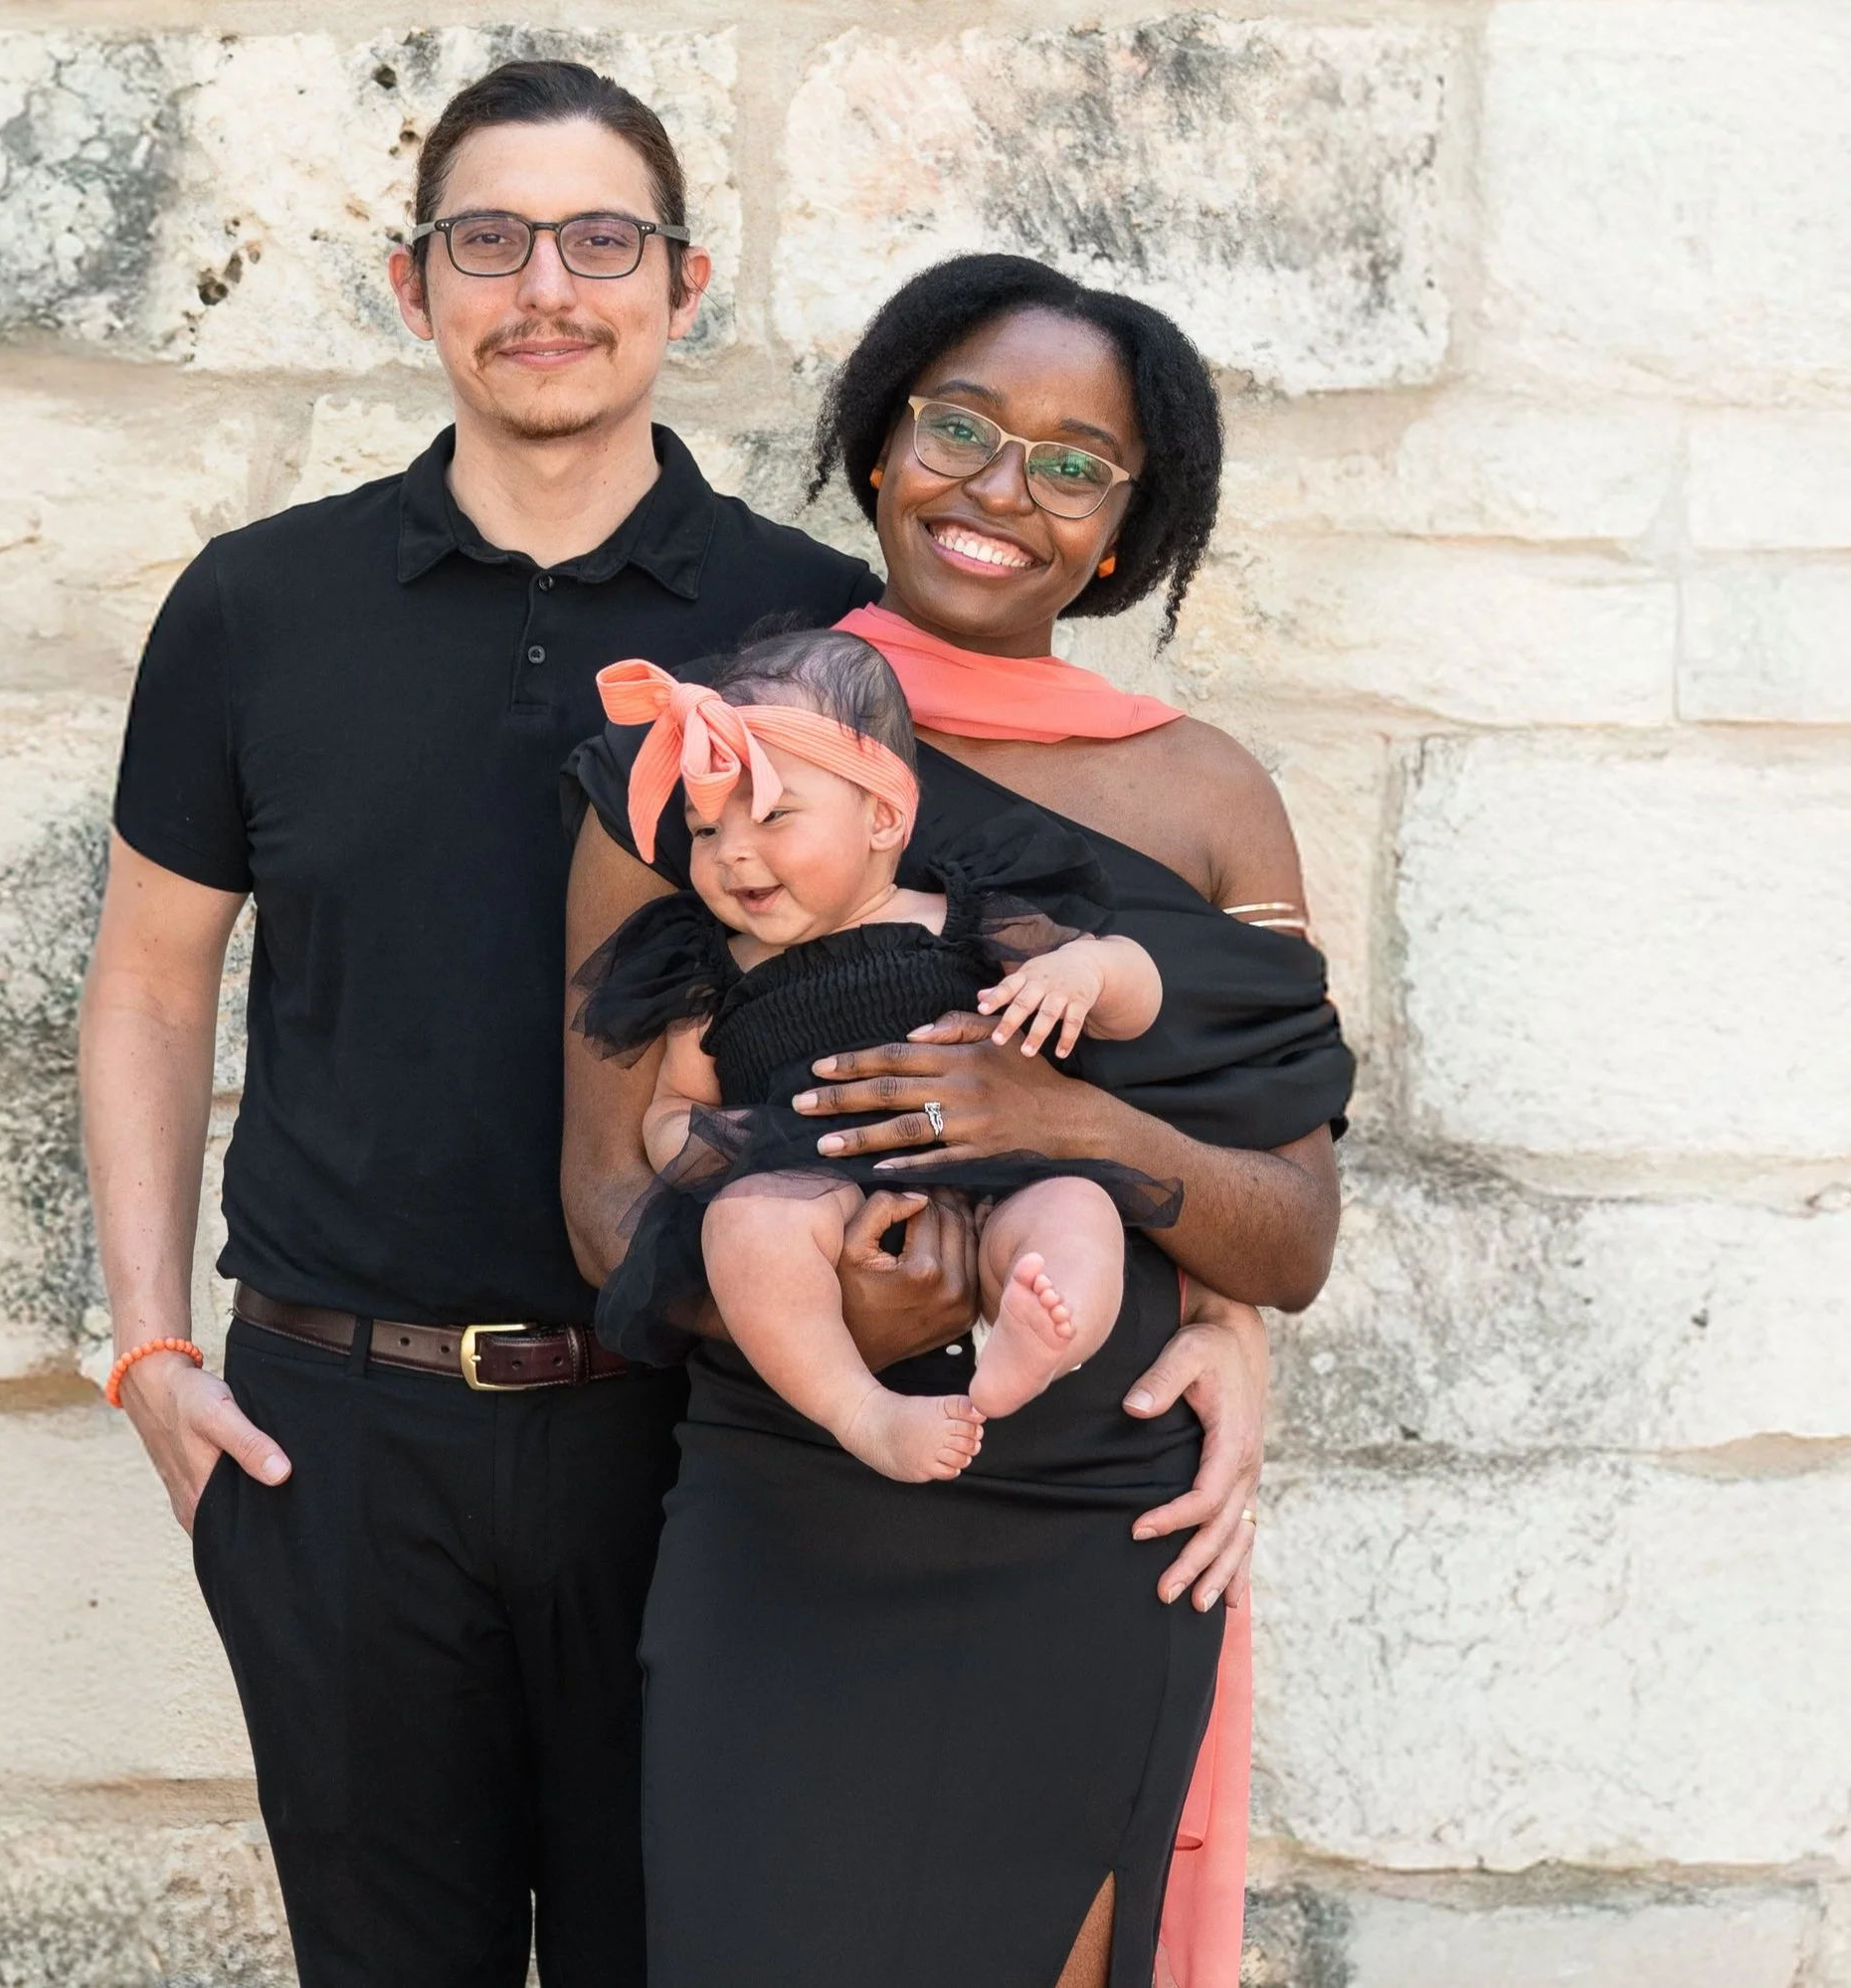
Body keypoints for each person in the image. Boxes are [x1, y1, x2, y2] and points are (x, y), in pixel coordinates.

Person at [77, 59, 981, 1988]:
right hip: (336, 1445)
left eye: (597, 240)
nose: (542, 286)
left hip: (702, 1433)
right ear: (416, 289)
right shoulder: (255, 609)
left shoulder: (813, 627)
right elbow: (152, 980)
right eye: (487, 241)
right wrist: (151, 1345)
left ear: (685, 281)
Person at [563, 254, 1355, 1988]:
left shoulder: (1209, 795)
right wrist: (841, 1301)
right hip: (795, 1499)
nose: (1003, 487)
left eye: (1077, 463)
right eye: (963, 426)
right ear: (877, 447)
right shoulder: (711, 755)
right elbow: (606, 1195)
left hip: (1093, 1522)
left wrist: (1073, 1123)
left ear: (1131, 531)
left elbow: (1289, 1230)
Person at [575, 632, 1182, 1482]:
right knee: (742, 1226)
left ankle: (1042, 1333)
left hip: (996, 1166)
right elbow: (672, 1109)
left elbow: (1138, 994)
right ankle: (860, 1409)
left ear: (884, 816)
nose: (732, 851)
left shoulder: (966, 916)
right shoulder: (714, 971)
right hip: (813, 1182)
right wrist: (714, 1144)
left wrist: (1084, 973)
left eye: (774, 814)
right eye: (705, 827)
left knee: (1076, 1207)